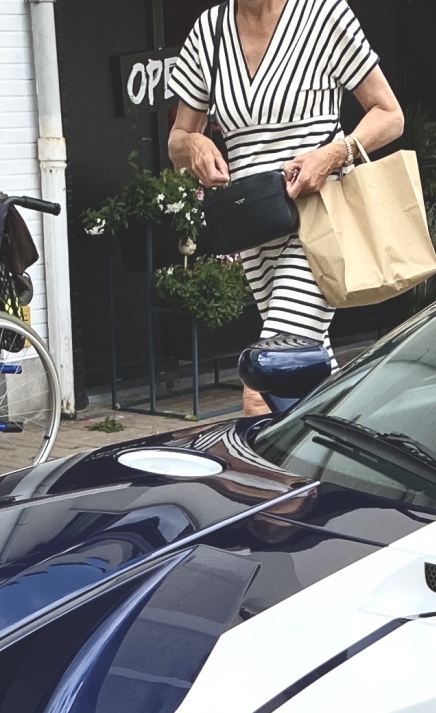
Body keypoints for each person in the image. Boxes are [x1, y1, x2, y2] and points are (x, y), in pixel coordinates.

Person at [164, 0, 405, 417]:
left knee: (265, 383)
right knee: (309, 372)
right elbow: (178, 140)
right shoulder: (211, 30)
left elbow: (390, 114)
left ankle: (264, 480)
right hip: (255, 231)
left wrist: (333, 153)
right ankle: (344, 465)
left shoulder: (323, 14)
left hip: (319, 222)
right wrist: (197, 144)